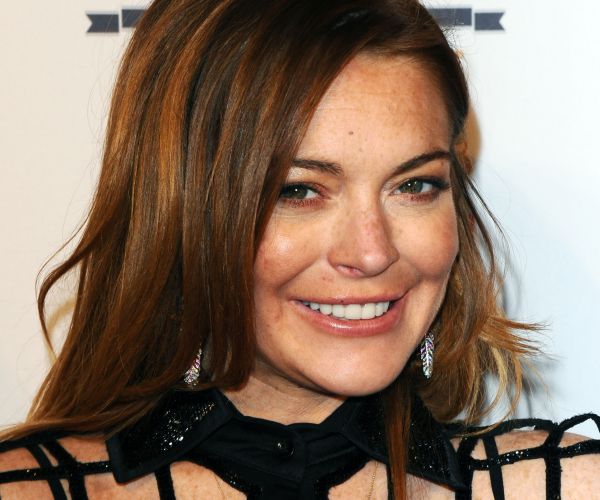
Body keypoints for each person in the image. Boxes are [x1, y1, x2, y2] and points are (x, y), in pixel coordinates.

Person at [1, 0, 599, 498]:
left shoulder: (562, 485)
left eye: (414, 185)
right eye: (299, 191)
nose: (371, 253)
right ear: (184, 215)